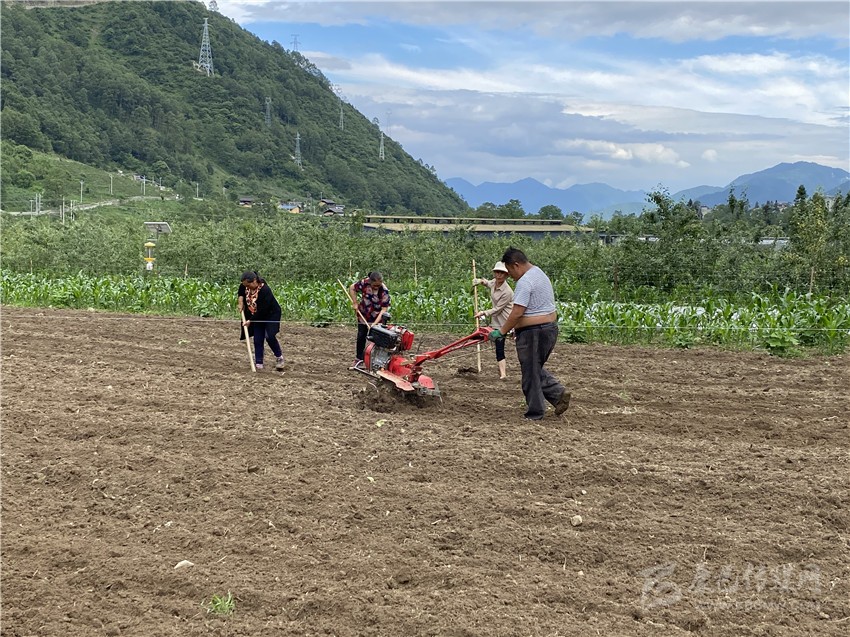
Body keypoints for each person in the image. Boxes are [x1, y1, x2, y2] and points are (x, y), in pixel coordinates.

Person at [488, 247, 570, 420]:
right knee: (533, 368)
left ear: (516, 265)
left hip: (535, 333)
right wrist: (516, 329)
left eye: (509, 271)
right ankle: (558, 394)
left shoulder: (525, 281)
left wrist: (501, 331)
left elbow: (517, 312)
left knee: (530, 374)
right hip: (548, 330)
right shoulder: (539, 273)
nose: (510, 276)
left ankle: (535, 413)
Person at [472, 261, 514, 379]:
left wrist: (483, 313)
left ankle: (503, 374)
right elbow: (488, 283)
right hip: (496, 320)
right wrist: (480, 281)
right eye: (497, 272)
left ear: (506, 275)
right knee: (497, 345)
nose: (499, 275)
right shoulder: (494, 282)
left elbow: (497, 309)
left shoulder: (507, 292)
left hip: (505, 321)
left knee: (499, 345)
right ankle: (502, 373)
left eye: (501, 273)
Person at [238, 271, 285, 371]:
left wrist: (250, 321)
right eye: (245, 285)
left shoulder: (265, 290)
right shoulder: (245, 285)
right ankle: (259, 363)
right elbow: (241, 291)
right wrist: (241, 302)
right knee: (258, 338)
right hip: (255, 314)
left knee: (269, 336)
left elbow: (263, 310)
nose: (247, 287)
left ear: (254, 281)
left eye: (248, 285)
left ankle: (279, 358)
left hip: (270, 314)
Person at [348, 271, 391, 368]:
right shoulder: (364, 283)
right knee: (361, 336)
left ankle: (376, 362)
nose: (376, 287)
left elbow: (384, 309)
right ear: (370, 281)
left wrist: (375, 324)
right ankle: (359, 359)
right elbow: (352, 288)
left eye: (378, 285)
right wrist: (355, 302)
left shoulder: (384, 291)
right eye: (374, 285)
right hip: (363, 315)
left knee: (377, 340)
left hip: (377, 318)